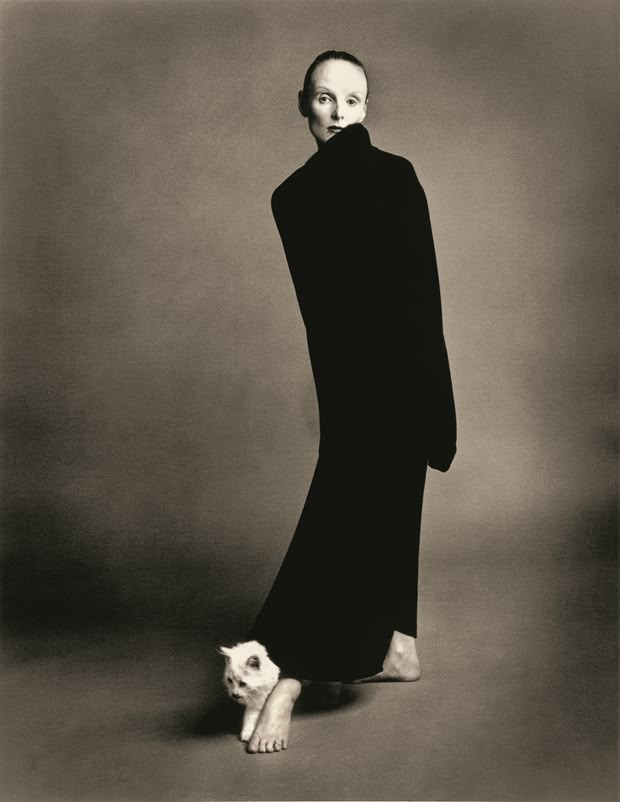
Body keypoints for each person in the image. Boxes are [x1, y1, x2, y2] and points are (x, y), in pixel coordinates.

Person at [244, 50, 457, 754]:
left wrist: (434, 395)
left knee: (383, 513)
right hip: (359, 383)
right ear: (301, 103)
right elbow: (333, 306)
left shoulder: (374, 180)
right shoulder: (303, 195)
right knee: (350, 520)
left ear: (368, 107)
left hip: (387, 376)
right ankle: (321, 668)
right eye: (325, 100)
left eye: (353, 102)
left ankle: (356, 659)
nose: (338, 116)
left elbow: (418, 292)